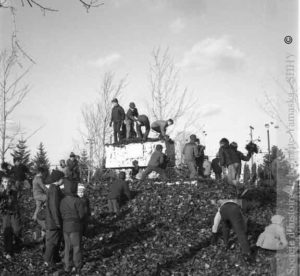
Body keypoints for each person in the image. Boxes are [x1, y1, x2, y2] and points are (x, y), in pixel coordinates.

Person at [211, 195, 256, 263]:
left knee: (225, 227)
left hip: (224, 212)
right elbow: (244, 221)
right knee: (240, 232)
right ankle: (247, 254)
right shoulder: (236, 202)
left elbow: (215, 223)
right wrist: (244, 230)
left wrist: (214, 235)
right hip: (235, 210)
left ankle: (226, 244)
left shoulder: (220, 209)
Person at [60, 179, 87, 274]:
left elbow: (61, 213)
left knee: (67, 247)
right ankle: (77, 265)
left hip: (65, 226)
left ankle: (67, 266)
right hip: (75, 227)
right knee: (77, 247)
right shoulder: (78, 201)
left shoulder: (62, 200)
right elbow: (82, 214)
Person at [44, 170, 65, 267]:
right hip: (53, 221)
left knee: (56, 240)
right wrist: (57, 222)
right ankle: (48, 260)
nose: (63, 180)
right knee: (52, 242)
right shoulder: (54, 190)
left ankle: (55, 258)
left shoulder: (55, 189)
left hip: (53, 220)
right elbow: (54, 207)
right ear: (58, 179)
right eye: (62, 178)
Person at [0, 176, 22, 259]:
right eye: (5, 182)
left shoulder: (14, 190)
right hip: (5, 214)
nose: (7, 183)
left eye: (8, 182)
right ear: (2, 183)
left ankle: (17, 242)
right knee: (7, 231)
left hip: (14, 212)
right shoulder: (1, 191)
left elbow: (15, 199)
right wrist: (3, 192)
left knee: (17, 229)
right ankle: (8, 251)